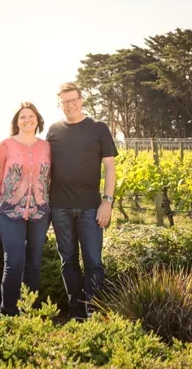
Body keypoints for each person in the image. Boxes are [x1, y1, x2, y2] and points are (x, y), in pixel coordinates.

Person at [46, 82, 117, 320]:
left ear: (81, 99)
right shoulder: (54, 131)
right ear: (59, 104)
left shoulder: (98, 128)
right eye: (65, 101)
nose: (70, 105)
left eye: (73, 99)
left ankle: (93, 311)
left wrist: (107, 201)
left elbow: (109, 168)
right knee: (68, 261)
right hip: (59, 208)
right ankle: (76, 312)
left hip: (91, 207)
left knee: (94, 262)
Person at [0, 102, 51, 316]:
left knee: (33, 264)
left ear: (38, 120)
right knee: (13, 263)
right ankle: (9, 313)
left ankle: (29, 312)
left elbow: (50, 178)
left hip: (39, 212)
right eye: (22, 117)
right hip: (10, 212)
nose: (27, 120)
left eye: (31, 116)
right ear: (16, 122)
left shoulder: (46, 147)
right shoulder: (5, 145)